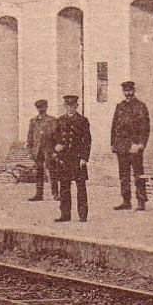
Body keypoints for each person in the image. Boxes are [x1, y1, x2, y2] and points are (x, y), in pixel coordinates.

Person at [109, 81, 151, 210]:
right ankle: (126, 200)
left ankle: (141, 201)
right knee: (123, 174)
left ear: (134, 91)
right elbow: (114, 125)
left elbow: (145, 128)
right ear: (123, 92)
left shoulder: (141, 106)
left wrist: (140, 144)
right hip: (121, 146)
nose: (128, 93)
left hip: (135, 146)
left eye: (130, 90)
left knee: (138, 173)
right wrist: (113, 143)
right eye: (126, 91)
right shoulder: (119, 107)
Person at [49, 94, 91, 222]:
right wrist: (55, 146)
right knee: (64, 188)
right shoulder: (59, 121)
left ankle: (83, 214)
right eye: (67, 105)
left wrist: (84, 157)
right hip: (64, 159)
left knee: (81, 187)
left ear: (76, 106)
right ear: (64, 106)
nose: (69, 108)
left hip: (77, 159)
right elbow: (52, 139)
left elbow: (87, 141)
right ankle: (65, 214)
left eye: (72, 105)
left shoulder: (83, 121)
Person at [25, 99, 56, 202]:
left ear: (46, 108)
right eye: (39, 108)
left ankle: (55, 193)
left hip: (48, 150)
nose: (41, 109)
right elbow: (30, 137)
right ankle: (39, 194)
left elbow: (56, 136)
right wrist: (30, 151)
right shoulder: (33, 121)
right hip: (37, 150)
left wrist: (55, 151)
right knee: (39, 172)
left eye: (42, 107)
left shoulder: (52, 120)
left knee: (52, 171)